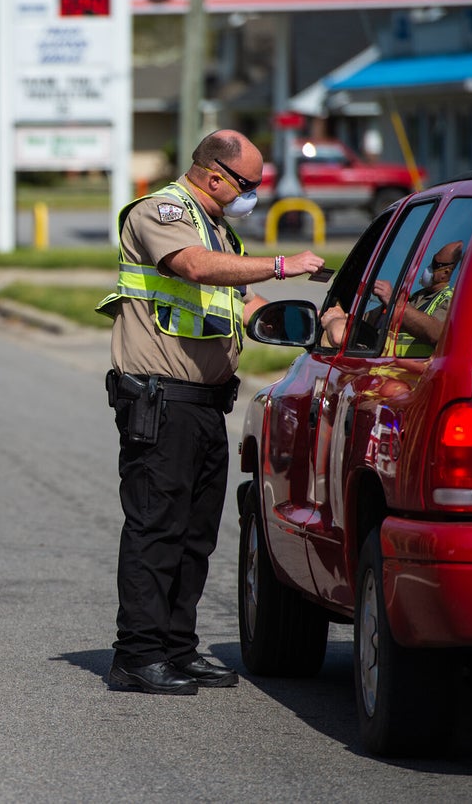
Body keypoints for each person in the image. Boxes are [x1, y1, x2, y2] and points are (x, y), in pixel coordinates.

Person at [96, 130, 325, 695]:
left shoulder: (217, 225)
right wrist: (280, 263)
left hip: (202, 403)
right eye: (248, 185)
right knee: (157, 529)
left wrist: (319, 323)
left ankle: (177, 648)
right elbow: (196, 268)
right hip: (160, 398)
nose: (253, 196)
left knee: (196, 534)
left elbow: (240, 300)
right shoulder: (163, 211)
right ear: (214, 175)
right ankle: (138, 655)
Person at [320, 241, 462, 352]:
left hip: (415, 376)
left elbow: (438, 333)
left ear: (446, 272)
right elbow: (365, 321)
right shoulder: (418, 296)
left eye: (435, 264)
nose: (429, 268)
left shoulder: (452, 298)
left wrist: (393, 301)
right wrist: (341, 315)